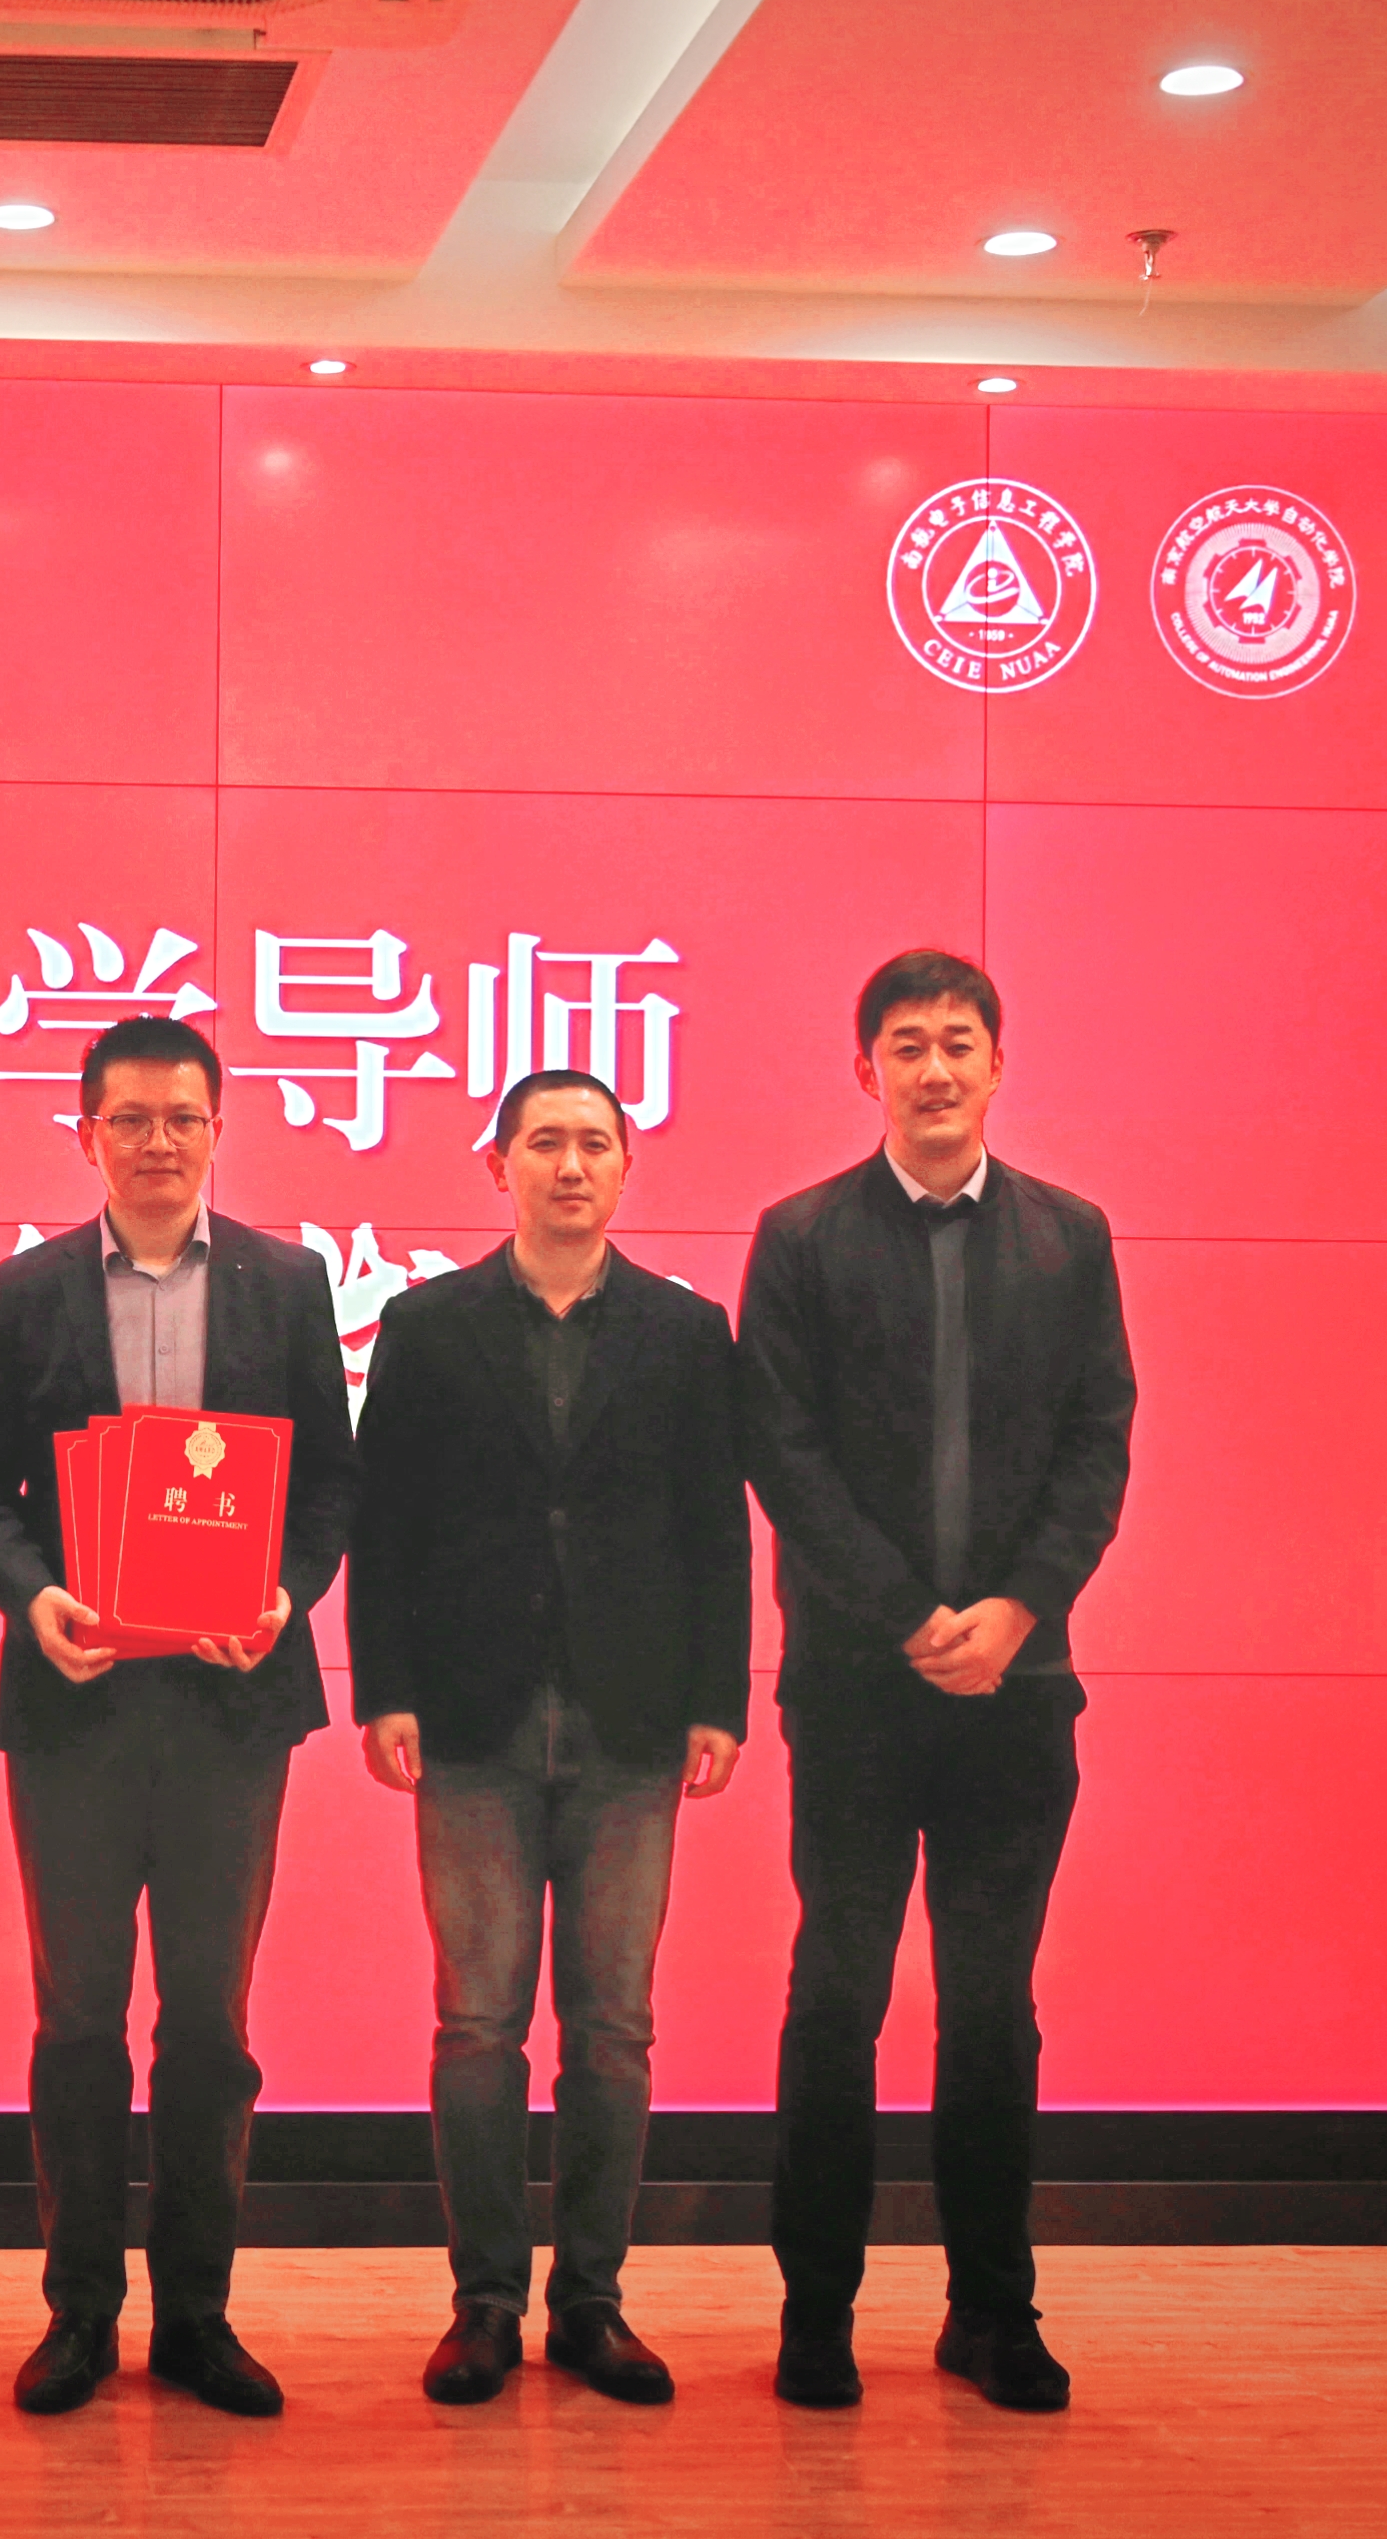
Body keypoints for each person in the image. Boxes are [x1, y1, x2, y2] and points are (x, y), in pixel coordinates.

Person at [737, 949, 1135, 2415]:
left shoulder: (1070, 1237)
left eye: (958, 1041)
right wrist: (910, 1614)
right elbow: (782, 1454)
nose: (935, 1068)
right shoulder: (799, 1238)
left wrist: (1019, 1609)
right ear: (866, 1073)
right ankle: (817, 2315)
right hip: (855, 1687)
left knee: (991, 2009)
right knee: (834, 1996)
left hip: (1018, 1690)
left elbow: (1099, 1441)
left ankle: (991, 2310)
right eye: (905, 1045)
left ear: (997, 1063)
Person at [0, 1014, 360, 2420]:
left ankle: (195, 2315)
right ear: (87, 1135)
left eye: (183, 1117)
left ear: (217, 1129)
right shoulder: (28, 1289)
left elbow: (327, 1484)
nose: (158, 1142)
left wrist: (287, 1595)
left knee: (209, 2026)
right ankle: (78, 2316)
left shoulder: (286, 1282)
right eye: (129, 1119)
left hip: (231, 1706)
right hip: (74, 1707)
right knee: (76, 2022)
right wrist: (33, 1600)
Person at [350, 1068, 751, 2410]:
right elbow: (385, 1524)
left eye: (592, 1143)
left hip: (633, 1724)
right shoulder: (427, 1325)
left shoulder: (686, 1333)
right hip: (472, 1722)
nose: (569, 1165)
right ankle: (482, 2305)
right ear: (499, 1165)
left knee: (614, 2030)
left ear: (626, 1165)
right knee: (476, 2025)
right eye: (543, 1143)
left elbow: (715, 1529)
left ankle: (590, 2302)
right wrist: (385, 1687)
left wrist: (718, 1698)